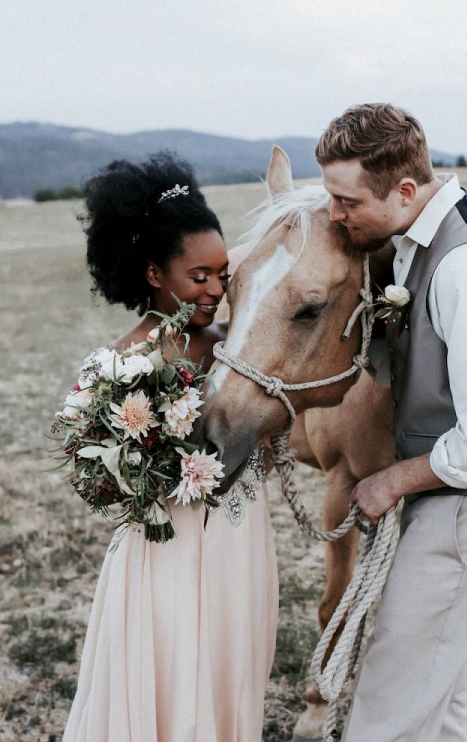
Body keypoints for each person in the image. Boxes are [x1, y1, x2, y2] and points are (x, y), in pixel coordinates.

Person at [315, 104, 467, 741]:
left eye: (345, 200)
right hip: (452, 499)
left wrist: (392, 482)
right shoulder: (416, 241)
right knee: (438, 701)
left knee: (387, 709)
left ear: (405, 191)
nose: (335, 214)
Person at [62, 153, 278, 742]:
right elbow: (98, 476)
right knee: (178, 657)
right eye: (198, 277)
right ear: (155, 275)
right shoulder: (125, 364)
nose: (215, 291)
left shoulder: (234, 346)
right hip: (171, 549)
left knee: (233, 652)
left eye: (222, 275)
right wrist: (151, 468)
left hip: (240, 535)